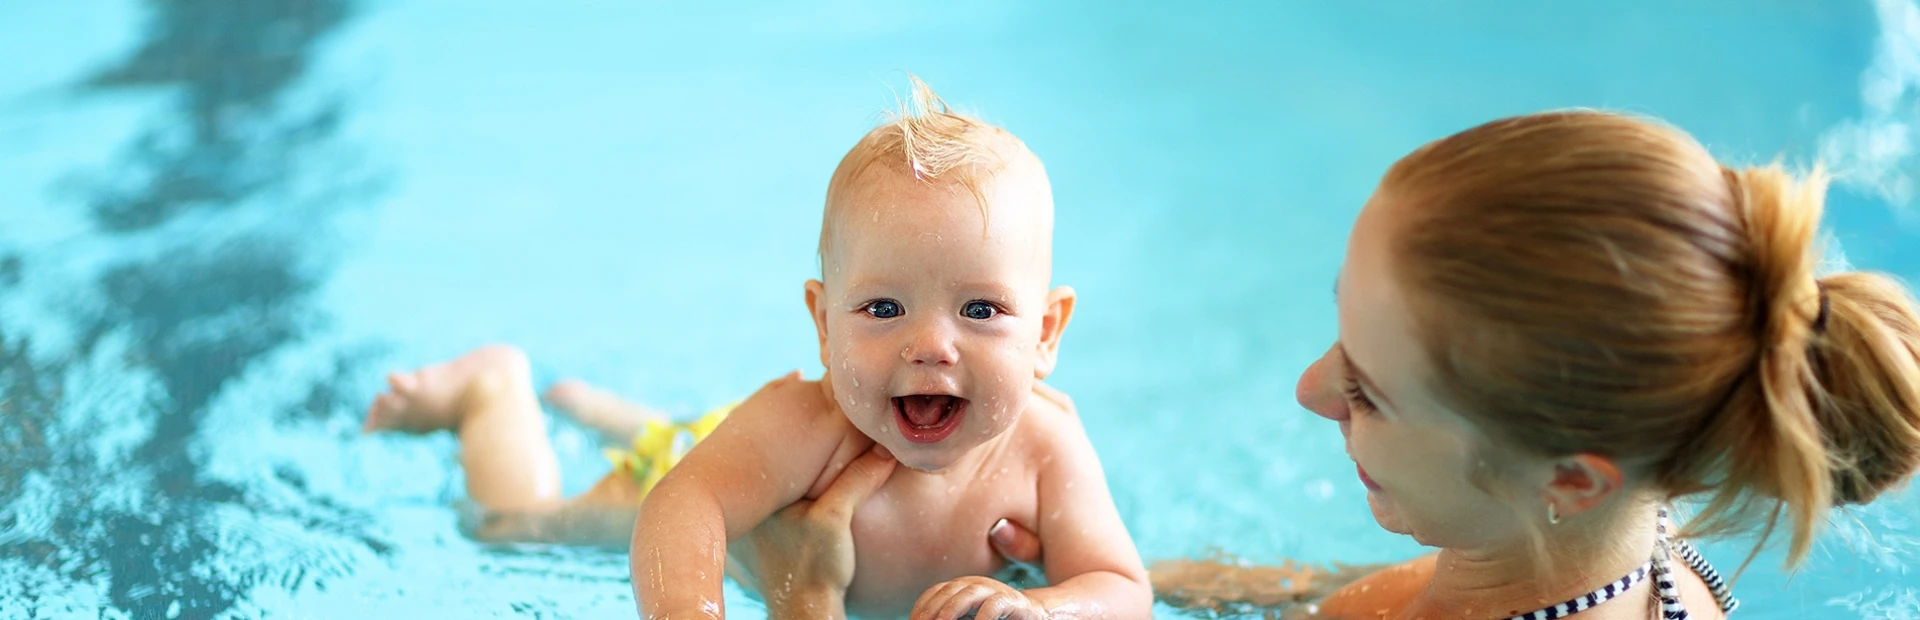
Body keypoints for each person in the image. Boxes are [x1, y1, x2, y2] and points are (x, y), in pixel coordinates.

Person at [759, 110, 1920, 619]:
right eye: (1341, 335)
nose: (1310, 389)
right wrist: (1103, 581)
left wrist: (806, 592)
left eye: (1369, 389)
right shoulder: (1629, 541)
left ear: (1571, 474)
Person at [363, 76, 1152, 619]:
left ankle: (608, 412)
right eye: (883, 308)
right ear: (824, 324)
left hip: (740, 452)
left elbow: (1119, 584)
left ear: (1045, 333)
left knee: (712, 443)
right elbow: (684, 502)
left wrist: (1044, 608)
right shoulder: (808, 429)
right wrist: (691, 607)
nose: (931, 346)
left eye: (980, 309)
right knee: (514, 526)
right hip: (713, 458)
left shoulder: (1047, 447)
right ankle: (492, 392)